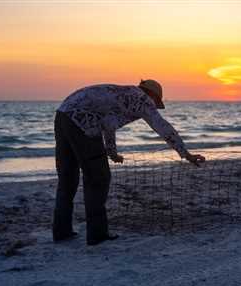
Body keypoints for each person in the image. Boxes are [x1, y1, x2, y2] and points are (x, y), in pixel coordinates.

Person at [53, 79, 205, 245]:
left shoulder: (123, 93)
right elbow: (162, 126)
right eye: (156, 101)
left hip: (62, 115)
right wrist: (186, 154)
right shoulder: (142, 99)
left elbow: (108, 123)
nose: (153, 106)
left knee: (67, 178)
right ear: (152, 94)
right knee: (98, 178)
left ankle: (62, 232)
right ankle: (97, 235)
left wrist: (111, 152)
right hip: (83, 121)